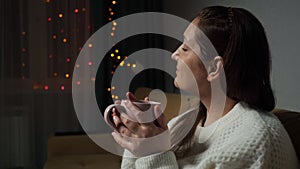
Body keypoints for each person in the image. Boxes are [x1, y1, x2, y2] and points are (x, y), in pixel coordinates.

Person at [110, 6, 299, 168]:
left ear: (214, 67)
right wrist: (138, 138)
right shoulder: (183, 124)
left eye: (185, 48)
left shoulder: (254, 140)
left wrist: (152, 153)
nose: (174, 54)